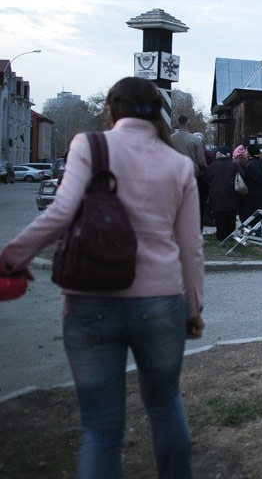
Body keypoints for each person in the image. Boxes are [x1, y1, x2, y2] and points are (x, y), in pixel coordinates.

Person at [0, 76, 204, 478]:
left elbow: (60, 213)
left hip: (90, 299)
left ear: (112, 109)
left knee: (99, 426)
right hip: (161, 301)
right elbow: (191, 248)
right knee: (165, 407)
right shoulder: (179, 165)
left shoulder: (89, 147)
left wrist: (11, 258)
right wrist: (192, 308)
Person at [170, 115, 207, 230]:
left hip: (175, 176)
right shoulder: (195, 139)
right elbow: (201, 161)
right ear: (188, 123)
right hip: (193, 176)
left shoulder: (170, 138)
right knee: (196, 206)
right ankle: (196, 230)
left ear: (178, 122)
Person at [207, 146, 244, 241]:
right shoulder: (234, 165)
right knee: (231, 216)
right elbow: (242, 176)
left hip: (216, 195)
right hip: (232, 195)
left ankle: (220, 235)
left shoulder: (213, 165)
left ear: (219, 154)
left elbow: (206, 179)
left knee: (219, 216)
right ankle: (230, 235)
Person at [240, 144, 262, 238]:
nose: (245, 153)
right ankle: (256, 236)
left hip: (253, 195)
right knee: (259, 217)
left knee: (252, 217)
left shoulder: (250, 164)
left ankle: (255, 238)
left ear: (250, 152)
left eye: (246, 151)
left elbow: (260, 177)